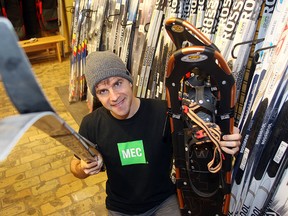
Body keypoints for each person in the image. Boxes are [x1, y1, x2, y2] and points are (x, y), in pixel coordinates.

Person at [70, 51, 241, 216]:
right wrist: (83, 167)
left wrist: (226, 136)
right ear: (97, 96)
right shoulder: (91, 124)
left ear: (130, 80)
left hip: (163, 202)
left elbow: (201, 136)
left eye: (117, 83)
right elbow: (75, 167)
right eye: (103, 91)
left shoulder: (164, 112)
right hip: (120, 208)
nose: (114, 97)